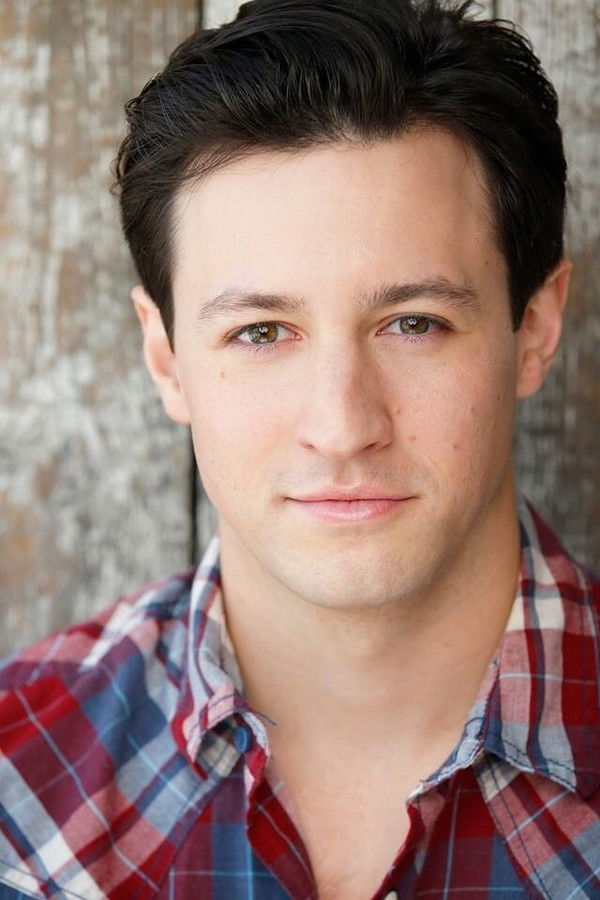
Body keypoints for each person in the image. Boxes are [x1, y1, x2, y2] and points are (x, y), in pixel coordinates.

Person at [1, 0, 598, 897]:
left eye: (414, 322)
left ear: (536, 328)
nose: (343, 425)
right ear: (165, 359)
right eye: (261, 332)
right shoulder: (17, 792)